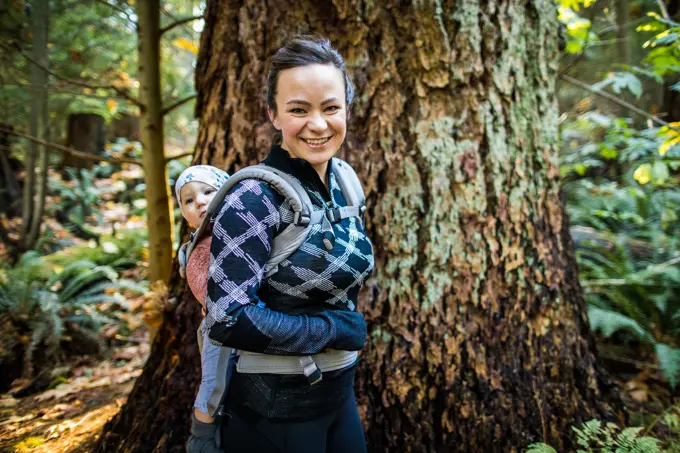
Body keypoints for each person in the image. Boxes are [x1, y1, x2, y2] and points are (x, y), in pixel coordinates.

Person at [193, 36, 375, 453]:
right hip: (273, 412)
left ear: (346, 108)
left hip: (338, 395)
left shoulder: (345, 182)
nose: (318, 124)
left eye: (331, 107)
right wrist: (331, 329)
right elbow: (227, 318)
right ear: (273, 114)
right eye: (298, 109)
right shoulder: (252, 199)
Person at [174, 165, 231, 453]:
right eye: (188, 200)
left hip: (251, 320)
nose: (200, 201)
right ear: (184, 215)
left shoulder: (244, 230)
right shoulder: (192, 249)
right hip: (217, 327)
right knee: (212, 384)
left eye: (209, 191)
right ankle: (202, 438)